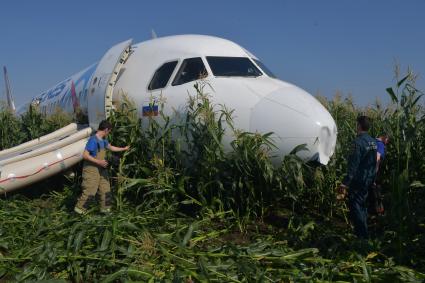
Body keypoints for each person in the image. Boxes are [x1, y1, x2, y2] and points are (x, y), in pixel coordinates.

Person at [74, 120, 129, 214]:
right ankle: (79, 211)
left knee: (105, 189)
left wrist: (124, 149)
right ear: (106, 130)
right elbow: (85, 155)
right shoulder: (93, 140)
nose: (109, 133)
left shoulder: (103, 141)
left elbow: (111, 147)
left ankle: (106, 210)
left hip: (102, 168)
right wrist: (98, 162)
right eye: (109, 131)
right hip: (91, 169)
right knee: (90, 190)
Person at [337, 116, 377, 239]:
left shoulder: (357, 142)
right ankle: (363, 232)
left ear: (359, 126)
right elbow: (374, 162)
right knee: (362, 205)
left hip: (358, 181)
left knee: (356, 207)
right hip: (368, 179)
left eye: (356, 124)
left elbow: (353, 166)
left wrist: (345, 183)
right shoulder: (373, 141)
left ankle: (362, 238)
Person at [368, 134, 389, 216]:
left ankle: (372, 211)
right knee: (376, 190)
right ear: (385, 137)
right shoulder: (380, 144)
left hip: (367, 170)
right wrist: (375, 172)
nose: (387, 143)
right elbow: (377, 158)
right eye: (388, 140)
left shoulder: (372, 142)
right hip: (375, 170)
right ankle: (379, 212)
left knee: (371, 190)